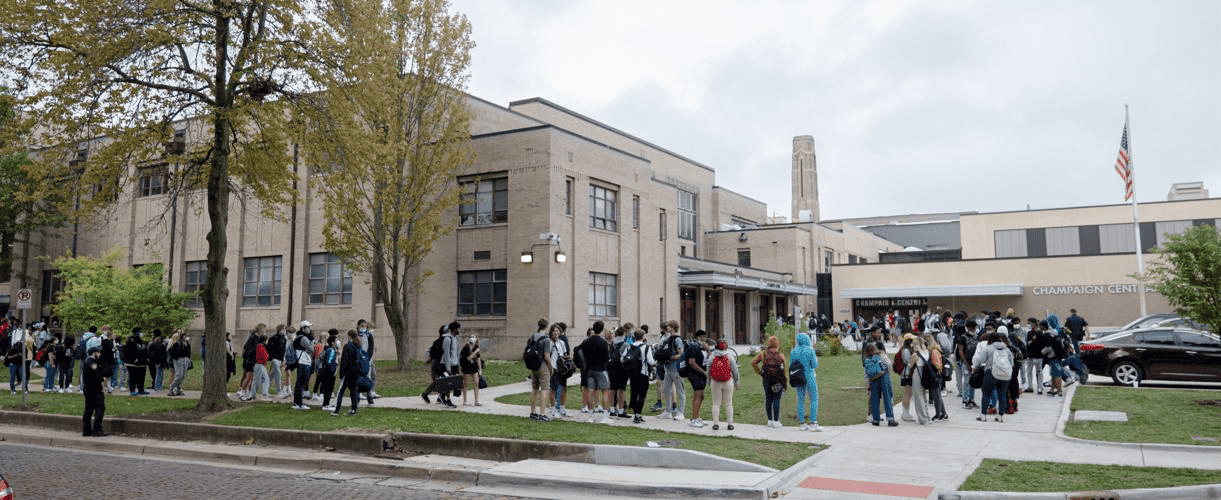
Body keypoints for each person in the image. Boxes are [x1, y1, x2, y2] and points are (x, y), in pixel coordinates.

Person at [752, 335, 788, 428]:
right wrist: (785, 382)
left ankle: (769, 420)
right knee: (776, 400)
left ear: (768, 343)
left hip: (766, 379)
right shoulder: (780, 355)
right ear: (777, 344)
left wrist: (760, 372)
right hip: (778, 381)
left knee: (768, 399)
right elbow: (785, 371)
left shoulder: (763, 354)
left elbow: (753, 362)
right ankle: (776, 421)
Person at [790, 332, 821, 431]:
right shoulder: (810, 350)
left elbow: (791, 365)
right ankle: (813, 423)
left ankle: (802, 423)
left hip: (798, 377)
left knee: (800, 400)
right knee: (814, 399)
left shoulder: (793, 351)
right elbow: (815, 364)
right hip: (810, 376)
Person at [582, 321, 612, 424]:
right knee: (605, 391)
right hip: (601, 369)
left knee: (590, 392)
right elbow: (606, 357)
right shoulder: (603, 342)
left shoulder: (587, 341)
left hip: (590, 369)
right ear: (602, 329)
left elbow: (584, 355)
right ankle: (604, 416)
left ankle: (591, 416)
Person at [706, 337, 738, 431]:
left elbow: (708, 368)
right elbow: (735, 370)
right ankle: (730, 424)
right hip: (728, 381)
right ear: (726, 346)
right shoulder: (730, 356)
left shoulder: (712, 356)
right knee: (729, 404)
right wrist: (736, 381)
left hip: (715, 381)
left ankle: (715, 424)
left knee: (716, 403)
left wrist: (708, 380)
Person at [863, 343, 898, 426]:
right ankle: (890, 419)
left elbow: (866, 374)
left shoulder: (867, 359)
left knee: (875, 399)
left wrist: (868, 384)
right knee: (887, 398)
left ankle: (876, 419)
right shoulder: (882, 355)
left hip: (873, 380)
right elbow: (889, 366)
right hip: (884, 377)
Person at [625, 329, 655, 424]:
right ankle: (638, 415)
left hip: (633, 373)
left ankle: (635, 414)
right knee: (642, 395)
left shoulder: (629, 346)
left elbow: (623, 359)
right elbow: (651, 361)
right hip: (643, 373)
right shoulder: (646, 347)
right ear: (643, 336)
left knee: (634, 393)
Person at [526, 319, 554, 421]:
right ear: (546, 326)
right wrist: (551, 367)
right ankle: (542, 413)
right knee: (544, 389)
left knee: (534, 389)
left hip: (533, 365)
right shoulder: (546, 339)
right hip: (543, 366)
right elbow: (547, 356)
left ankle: (533, 412)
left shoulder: (532, 336)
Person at [332, 329, 364, 416]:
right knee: (353, 391)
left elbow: (344, 361)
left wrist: (341, 373)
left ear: (349, 336)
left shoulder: (348, 346)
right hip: (356, 371)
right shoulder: (358, 345)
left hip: (348, 372)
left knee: (341, 391)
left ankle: (336, 409)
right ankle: (354, 409)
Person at [659, 320, 686, 421]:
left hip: (676, 369)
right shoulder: (668, 339)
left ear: (673, 327)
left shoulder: (677, 340)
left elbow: (681, 354)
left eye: (669, 326)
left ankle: (681, 412)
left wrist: (671, 357)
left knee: (680, 391)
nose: (667, 328)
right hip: (668, 368)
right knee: (667, 389)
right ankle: (668, 411)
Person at [81, 345, 110, 437]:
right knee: (100, 408)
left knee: (88, 409)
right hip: (95, 389)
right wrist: (103, 385)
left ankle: (86, 430)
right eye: (99, 352)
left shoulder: (87, 361)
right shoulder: (92, 363)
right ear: (94, 353)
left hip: (88, 389)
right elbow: (97, 375)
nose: (100, 354)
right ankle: (97, 429)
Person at [684, 330, 710, 428]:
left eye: (705, 337)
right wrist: (703, 372)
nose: (704, 339)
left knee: (700, 396)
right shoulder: (693, 347)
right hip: (694, 374)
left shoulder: (701, 348)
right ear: (697, 337)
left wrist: (708, 349)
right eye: (702, 337)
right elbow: (691, 362)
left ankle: (697, 417)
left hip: (702, 374)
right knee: (699, 395)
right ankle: (694, 419)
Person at [921, 333, 949, 421]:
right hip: (936, 375)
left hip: (934, 375)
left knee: (936, 396)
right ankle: (943, 413)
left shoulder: (933, 350)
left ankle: (938, 414)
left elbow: (936, 363)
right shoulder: (936, 348)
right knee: (937, 395)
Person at [905, 334, 931, 425]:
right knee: (924, 396)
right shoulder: (927, 352)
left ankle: (923, 419)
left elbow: (910, 365)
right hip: (926, 374)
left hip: (918, 373)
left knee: (918, 396)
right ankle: (927, 416)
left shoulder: (916, 354)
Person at [291, 322, 315, 410]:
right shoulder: (303, 338)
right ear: (303, 328)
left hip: (302, 361)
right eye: (307, 327)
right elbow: (312, 349)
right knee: (301, 382)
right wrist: (312, 343)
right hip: (304, 361)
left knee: (299, 382)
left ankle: (297, 402)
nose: (309, 329)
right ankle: (299, 403)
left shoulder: (298, 337)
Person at [356, 319, 380, 399]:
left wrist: (368, 356)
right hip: (362, 359)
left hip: (369, 359)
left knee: (372, 375)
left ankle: (371, 392)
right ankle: (361, 393)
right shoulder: (359, 336)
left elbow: (370, 347)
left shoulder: (368, 335)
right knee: (362, 376)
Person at [123, 327, 149, 396]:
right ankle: (132, 390)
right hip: (132, 363)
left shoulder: (141, 341)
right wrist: (134, 359)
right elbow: (128, 352)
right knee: (133, 377)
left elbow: (144, 350)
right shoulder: (130, 341)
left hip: (142, 363)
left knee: (141, 377)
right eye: (139, 332)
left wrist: (146, 359)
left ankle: (141, 389)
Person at [317, 331, 339, 412]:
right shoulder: (331, 350)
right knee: (329, 388)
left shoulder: (328, 349)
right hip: (329, 371)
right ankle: (326, 404)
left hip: (327, 370)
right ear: (333, 342)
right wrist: (332, 370)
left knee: (328, 388)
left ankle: (327, 403)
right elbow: (329, 361)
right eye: (336, 341)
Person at [460, 332, 483, 406]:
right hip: (466, 367)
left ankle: (476, 401)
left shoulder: (477, 347)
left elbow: (478, 359)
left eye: (474, 337)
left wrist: (480, 369)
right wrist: (475, 352)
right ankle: (465, 401)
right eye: (471, 337)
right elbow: (468, 358)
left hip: (474, 367)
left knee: (476, 383)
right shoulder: (466, 348)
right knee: (465, 384)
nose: (472, 338)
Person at [246, 331, 270, 401]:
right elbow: (265, 357)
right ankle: (263, 395)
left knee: (261, 380)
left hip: (260, 365)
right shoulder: (260, 347)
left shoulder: (259, 346)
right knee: (260, 380)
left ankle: (254, 394)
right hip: (259, 365)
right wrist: (266, 358)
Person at [167, 330, 191, 396]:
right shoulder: (177, 343)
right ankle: (172, 388)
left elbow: (189, 352)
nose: (185, 337)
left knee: (182, 376)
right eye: (184, 336)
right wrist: (176, 358)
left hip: (185, 359)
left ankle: (178, 389)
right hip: (178, 360)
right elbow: (171, 351)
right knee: (179, 376)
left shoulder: (187, 343)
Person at [268, 324, 287, 398]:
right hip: (274, 358)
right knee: (278, 374)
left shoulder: (284, 339)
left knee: (272, 374)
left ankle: (266, 388)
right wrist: (271, 357)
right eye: (283, 328)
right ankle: (279, 391)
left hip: (280, 359)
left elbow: (283, 350)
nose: (284, 330)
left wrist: (282, 360)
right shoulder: (274, 338)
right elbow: (270, 348)